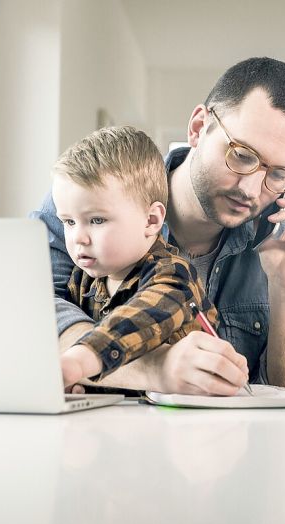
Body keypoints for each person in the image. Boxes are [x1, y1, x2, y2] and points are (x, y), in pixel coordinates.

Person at [32, 57, 285, 396]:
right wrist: (156, 368)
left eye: (278, 174)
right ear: (198, 127)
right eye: (243, 156)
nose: (250, 189)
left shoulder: (280, 242)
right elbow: (33, 314)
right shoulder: (88, 203)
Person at [49, 125, 225, 388]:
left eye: (96, 220)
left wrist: (79, 360)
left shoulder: (174, 275)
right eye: (69, 222)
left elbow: (140, 317)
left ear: (151, 220)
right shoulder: (82, 280)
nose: (78, 238)